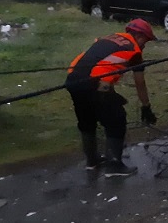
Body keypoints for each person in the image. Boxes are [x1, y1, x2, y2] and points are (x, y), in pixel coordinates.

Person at [65, 18, 158, 177]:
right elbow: (140, 83)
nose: (144, 45)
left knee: (87, 120)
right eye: (146, 41)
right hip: (93, 85)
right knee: (117, 119)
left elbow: (102, 66)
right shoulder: (134, 50)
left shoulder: (110, 38)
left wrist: (111, 94)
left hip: (72, 81)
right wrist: (146, 107)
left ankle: (92, 161)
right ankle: (114, 166)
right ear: (139, 36)